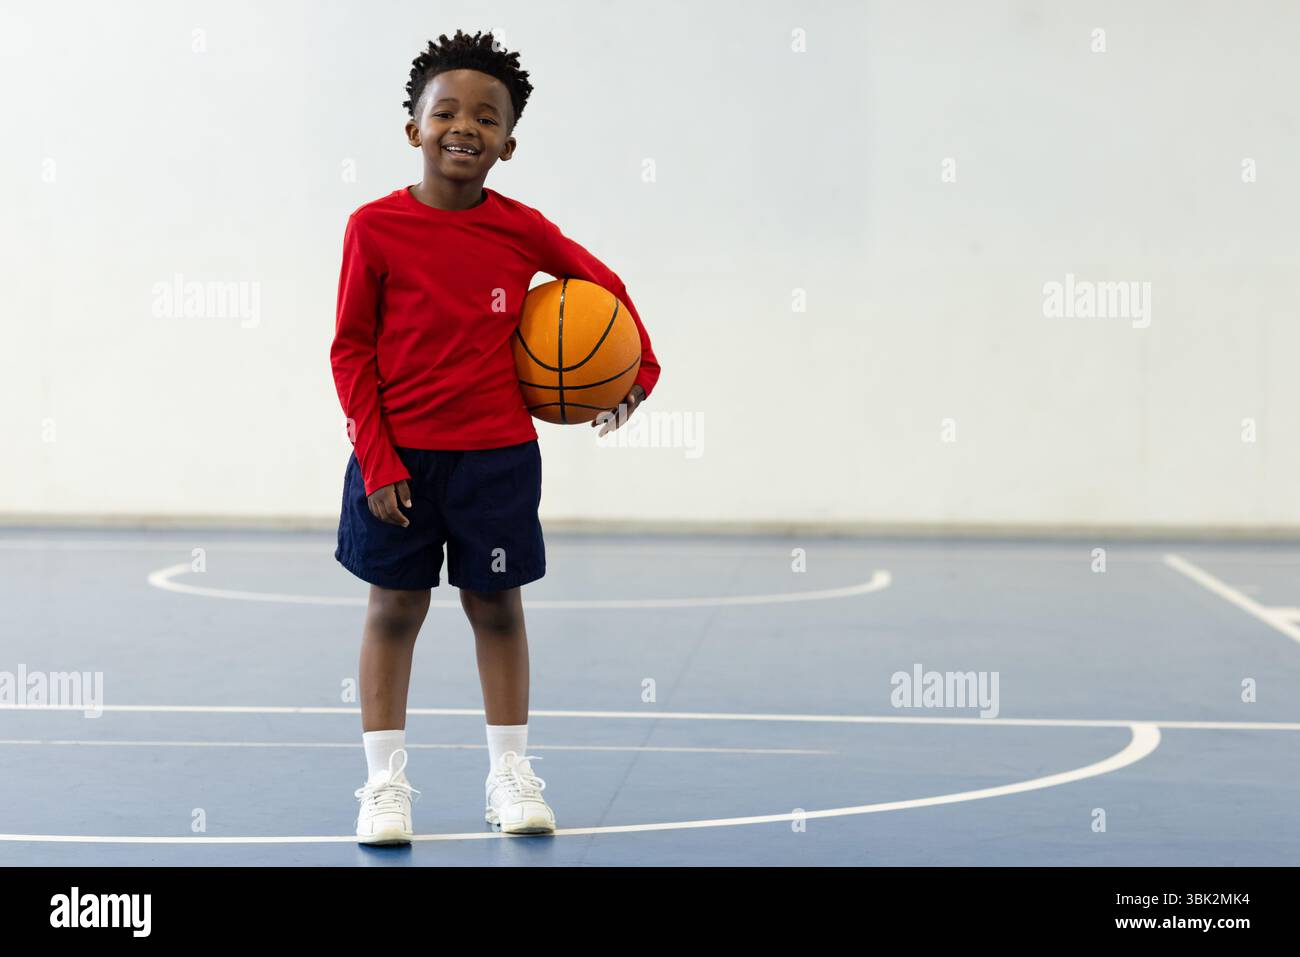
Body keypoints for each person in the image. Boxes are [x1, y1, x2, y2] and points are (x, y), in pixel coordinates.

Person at [330, 29, 662, 845]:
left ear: (508, 143)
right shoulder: (373, 228)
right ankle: (384, 786)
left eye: (487, 116)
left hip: (498, 458)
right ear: (414, 127)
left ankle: (510, 773)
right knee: (393, 610)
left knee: (498, 611)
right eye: (446, 111)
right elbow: (351, 350)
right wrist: (377, 456)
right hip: (398, 458)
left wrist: (640, 371)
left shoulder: (521, 230)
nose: (464, 126)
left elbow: (604, 287)